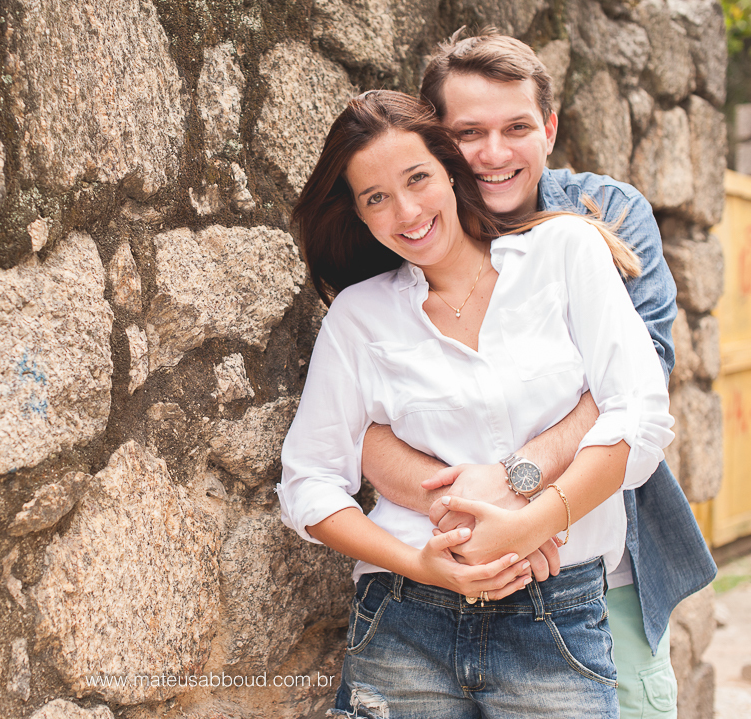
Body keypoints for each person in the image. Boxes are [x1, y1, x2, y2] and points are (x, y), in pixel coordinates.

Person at [277, 89, 674, 718]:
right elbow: (308, 483)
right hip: (405, 621)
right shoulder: (359, 315)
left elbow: (639, 415)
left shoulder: (564, 252)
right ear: (357, 214)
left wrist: (531, 522)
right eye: (376, 198)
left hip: (556, 616)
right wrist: (423, 565)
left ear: (449, 169)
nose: (406, 212)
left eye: (417, 179)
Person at [358, 30, 716, 718]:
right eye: (468, 132)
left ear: (548, 128)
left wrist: (519, 488)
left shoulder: (607, 215)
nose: (494, 154)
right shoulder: (406, 232)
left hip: (598, 577)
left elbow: (640, 385)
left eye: (516, 127)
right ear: (436, 142)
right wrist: (474, 520)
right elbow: (357, 421)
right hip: (444, 586)